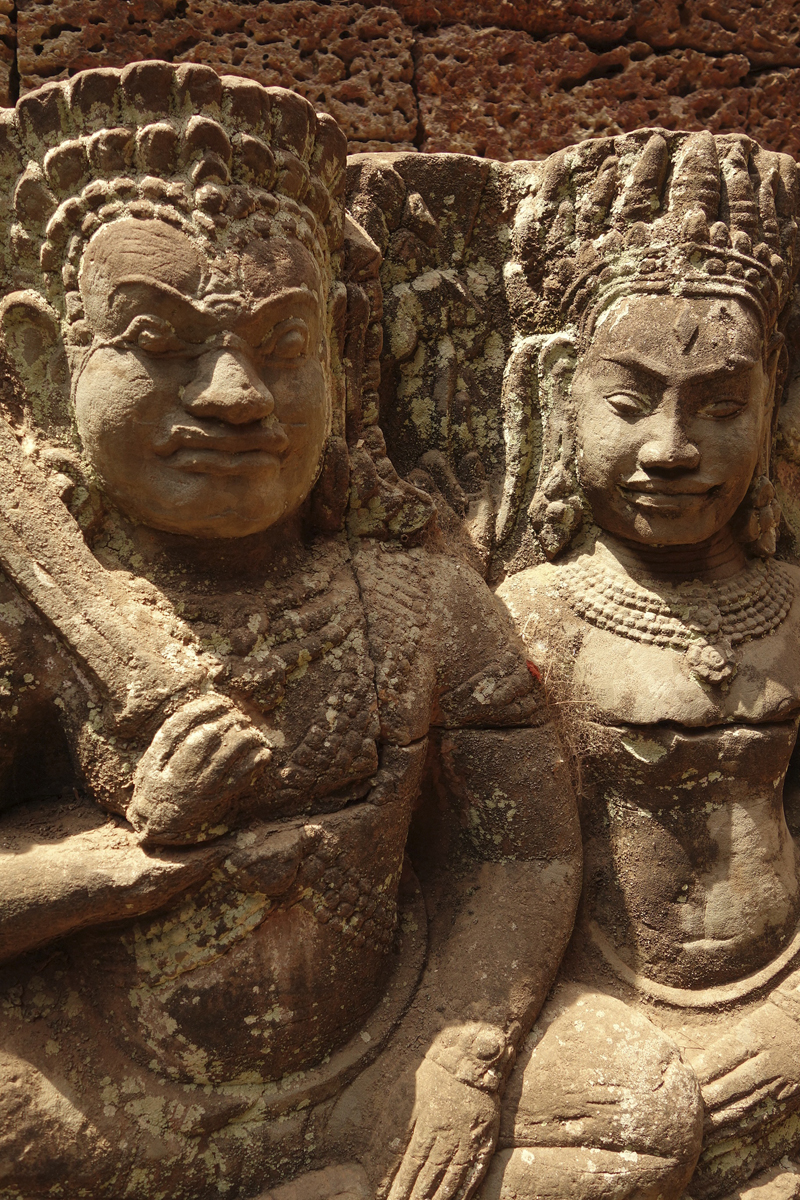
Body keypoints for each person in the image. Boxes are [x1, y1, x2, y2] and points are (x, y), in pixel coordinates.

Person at [0, 63, 580, 1200]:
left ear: (346, 356)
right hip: (105, 1083)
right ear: (39, 357)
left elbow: (525, 848)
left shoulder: (415, 597)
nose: (231, 392)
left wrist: (462, 1056)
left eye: (281, 344)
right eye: (158, 341)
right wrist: (125, 862)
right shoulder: (30, 621)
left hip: (389, 1052)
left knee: (634, 1113)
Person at [482, 129, 800, 1199]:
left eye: (721, 407)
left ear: (773, 404)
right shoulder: (536, 615)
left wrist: (793, 1023)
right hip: (599, 1016)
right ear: (556, 403)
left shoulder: (793, 608)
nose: (672, 448)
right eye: (628, 404)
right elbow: (498, 884)